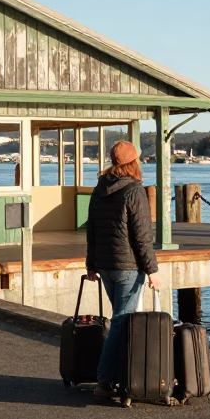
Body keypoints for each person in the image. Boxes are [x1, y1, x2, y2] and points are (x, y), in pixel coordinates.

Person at [85, 139, 160, 398]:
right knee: (121, 321)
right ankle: (105, 379)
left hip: (105, 265)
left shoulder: (99, 189)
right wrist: (152, 270)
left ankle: (118, 375)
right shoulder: (134, 190)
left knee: (119, 319)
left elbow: (92, 230)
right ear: (134, 162)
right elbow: (142, 236)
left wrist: (91, 264)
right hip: (127, 266)